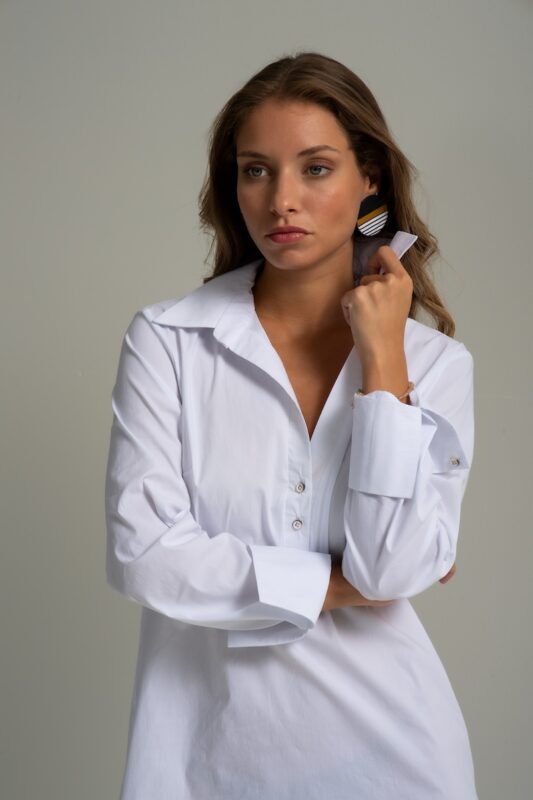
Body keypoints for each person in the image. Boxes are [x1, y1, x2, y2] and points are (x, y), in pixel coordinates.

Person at [105, 51, 478, 799]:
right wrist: (335, 585)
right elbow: (143, 556)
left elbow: (393, 569)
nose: (281, 200)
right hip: (199, 756)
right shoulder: (170, 341)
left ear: (367, 176)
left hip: (394, 756)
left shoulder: (432, 364)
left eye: (314, 168)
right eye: (255, 170)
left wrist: (382, 362)